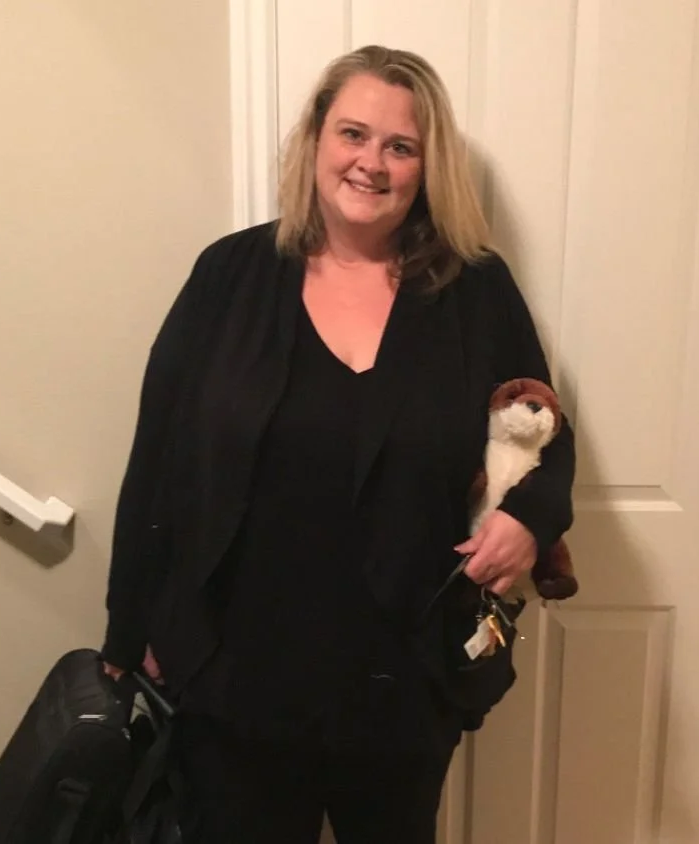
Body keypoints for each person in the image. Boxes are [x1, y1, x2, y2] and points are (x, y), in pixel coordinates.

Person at [98, 45, 575, 843]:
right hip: (230, 670)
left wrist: (531, 516)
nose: (372, 163)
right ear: (316, 139)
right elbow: (156, 462)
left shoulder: (475, 288)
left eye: (401, 146)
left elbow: (544, 427)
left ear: (428, 165)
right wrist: (127, 627)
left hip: (403, 674)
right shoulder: (229, 276)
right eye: (353, 134)